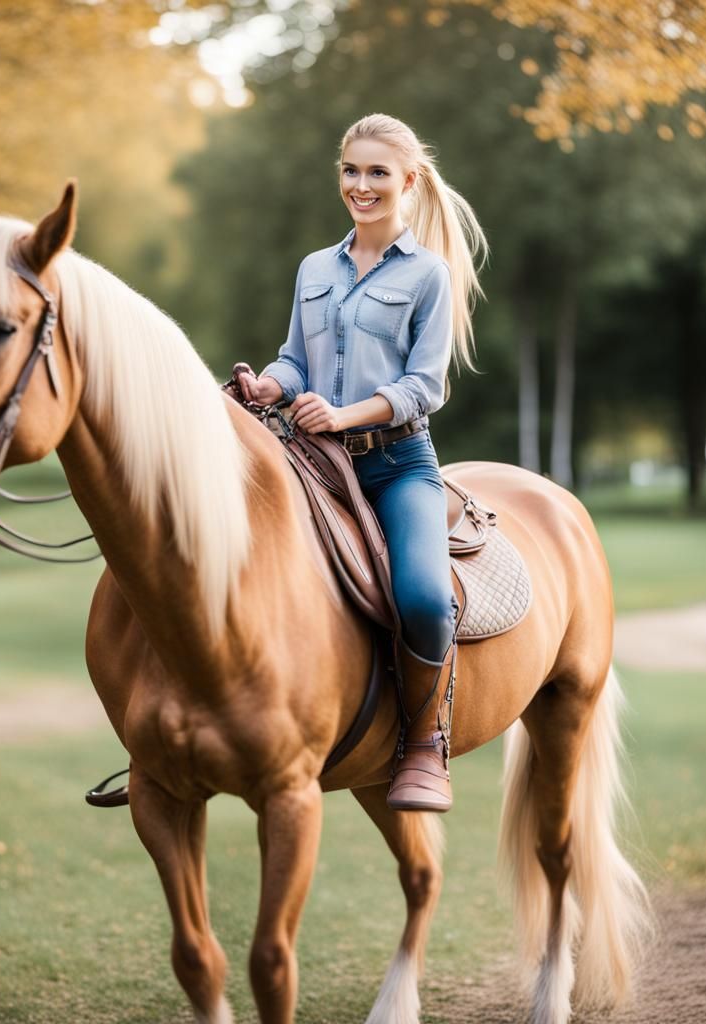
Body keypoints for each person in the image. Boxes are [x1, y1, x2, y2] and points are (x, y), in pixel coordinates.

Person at [238, 112, 487, 812]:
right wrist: (270, 386)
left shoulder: (429, 276)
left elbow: (423, 387)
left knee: (424, 599)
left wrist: (344, 413)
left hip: (396, 465)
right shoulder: (315, 267)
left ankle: (422, 743)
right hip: (311, 461)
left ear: (408, 182)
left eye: (378, 172)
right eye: (351, 170)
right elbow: (295, 359)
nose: (362, 184)